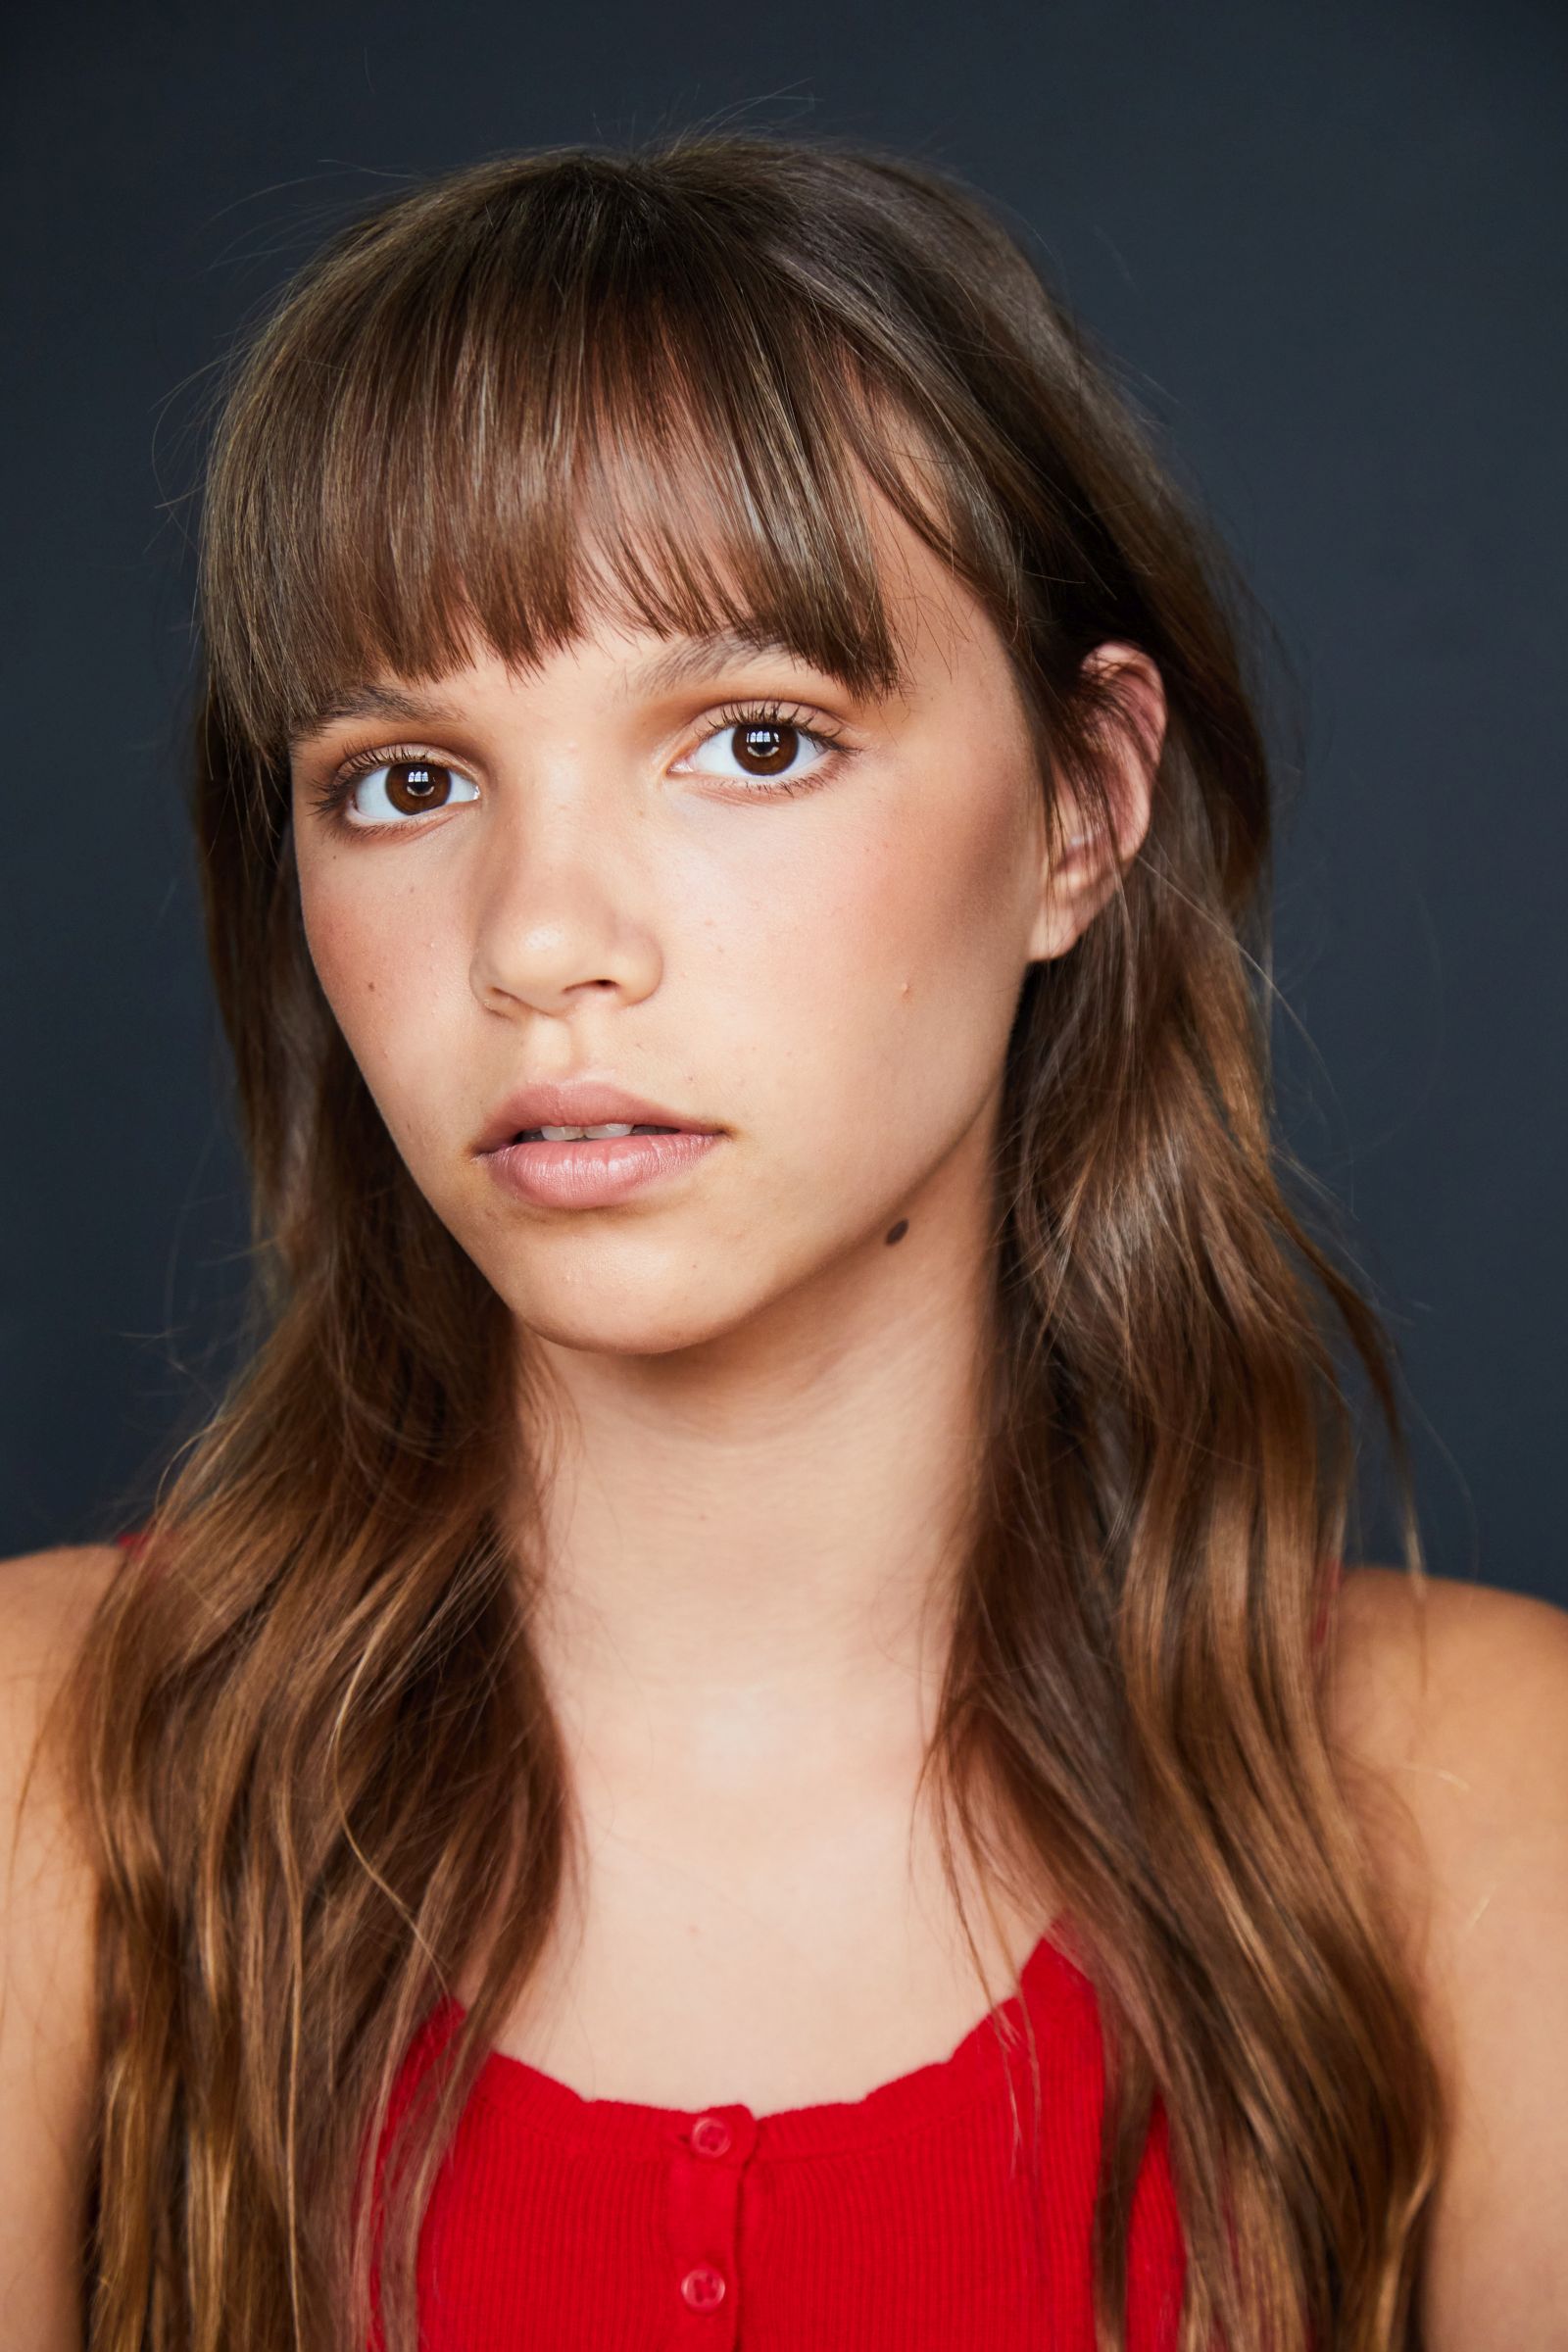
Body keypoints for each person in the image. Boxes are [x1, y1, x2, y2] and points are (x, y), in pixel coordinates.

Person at [2, 130, 1564, 2352]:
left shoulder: (1480, 1812)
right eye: (404, 779)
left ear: (1080, 808)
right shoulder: (51, 1772)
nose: (540, 942)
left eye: (751, 739)